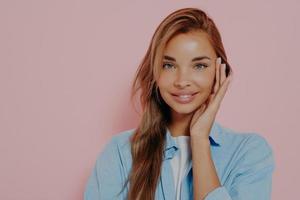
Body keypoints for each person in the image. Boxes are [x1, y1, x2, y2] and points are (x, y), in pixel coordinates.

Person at [84, 7, 275, 200]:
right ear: (155, 73)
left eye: (199, 65)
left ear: (220, 72)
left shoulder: (249, 153)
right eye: (169, 65)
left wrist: (200, 139)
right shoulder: (119, 153)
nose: (182, 80)